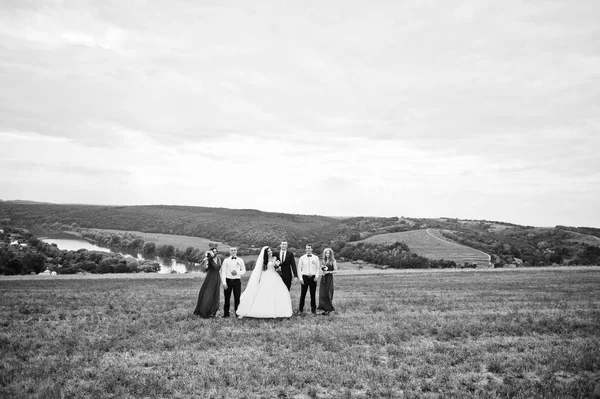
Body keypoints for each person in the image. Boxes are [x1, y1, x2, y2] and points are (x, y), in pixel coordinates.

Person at [236, 246, 292, 318]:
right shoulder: (264, 260)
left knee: (279, 293)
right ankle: (259, 310)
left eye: (270, 251)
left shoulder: (275, 258)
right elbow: (261, 270)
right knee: (264, 293)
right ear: (266, 253)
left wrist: (277, 267)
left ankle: (279, 311)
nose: (270, 252)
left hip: (275, 277)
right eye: (268, 251)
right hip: (266, 277)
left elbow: (278, 270)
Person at [193, 247, 221, 318]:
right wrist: (206, 260)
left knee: (215, 295)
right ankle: (205, 312)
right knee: (208, 294)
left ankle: (213, 312)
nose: (214, 253)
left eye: (215, 251)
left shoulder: (219, 259)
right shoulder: (208, 260)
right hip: (210, 277)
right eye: (213, 252)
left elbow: (218, 268)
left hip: (217, 278)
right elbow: (205, 269)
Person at [221, 247, 246, 318]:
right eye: (232, 250)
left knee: (237, 297)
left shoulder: (240, 260)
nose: (233, 251)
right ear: (229, 252)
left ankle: (237, 313)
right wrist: (224, 282)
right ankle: (226, 314)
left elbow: (244, 270)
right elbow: (223, 272)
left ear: (236, 251)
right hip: (228, 280)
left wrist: (237, 272)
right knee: (227, 298)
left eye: (234, 250)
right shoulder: (226, 260)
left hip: (237, 281)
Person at [297, 244, 321, 315]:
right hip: (304, 277)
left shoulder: (316, 258)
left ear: (312, 249)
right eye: (306, 248)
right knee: (303, 294)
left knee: (313, 294)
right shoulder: (302, 258)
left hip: (313, 278)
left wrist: (316, 276)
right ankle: (300, 310)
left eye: (309, 248)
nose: (308, 249)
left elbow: (318, 268)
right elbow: (299, 269)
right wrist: (300, 278)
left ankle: (313, 310)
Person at [317, 247, 338, 315]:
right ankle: (324, 309)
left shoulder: (333, 261)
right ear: (324, 254)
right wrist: (322, 271)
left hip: (329, 278)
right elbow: (321, 269)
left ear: (331, 254)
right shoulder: (323, 261)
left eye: (329, 253)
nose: (327, 254)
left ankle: (329, 309)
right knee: (323, 293)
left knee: (328, 293)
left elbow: (336, 271)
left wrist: (328, 272)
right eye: (326, 253)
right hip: (323, 278)